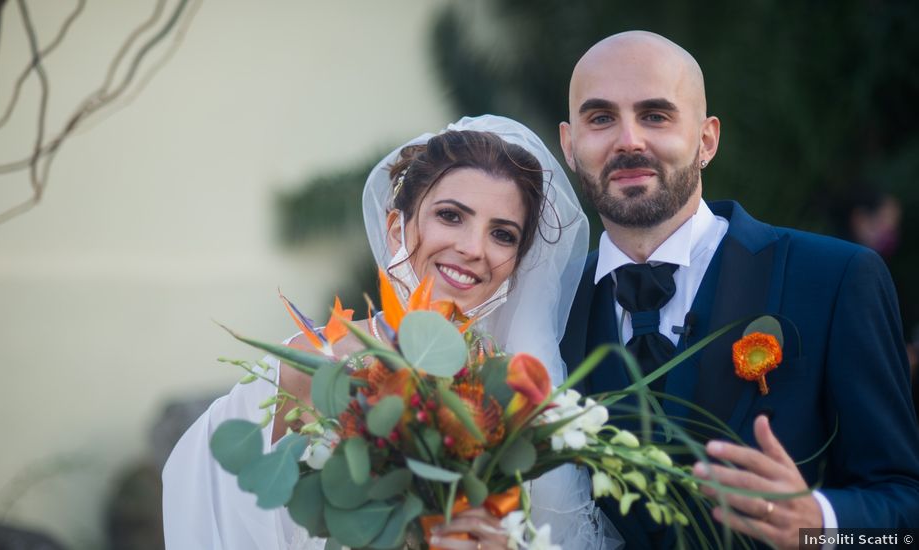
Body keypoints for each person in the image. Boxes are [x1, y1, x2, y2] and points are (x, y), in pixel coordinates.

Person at [162, 115, 621, 549]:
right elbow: (210, 504)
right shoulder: (313, 364)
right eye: (451, 216)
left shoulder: (517, 396)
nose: (472, 248)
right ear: (396, 227)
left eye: (502, 234)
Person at [557, 31, 919, 549]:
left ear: (707, 139)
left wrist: (823, 527)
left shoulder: (837, 279)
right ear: (570, 145)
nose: (629, 140)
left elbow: (906, 514)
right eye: (600, 118)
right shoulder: (552, 309)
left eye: (656, 115)